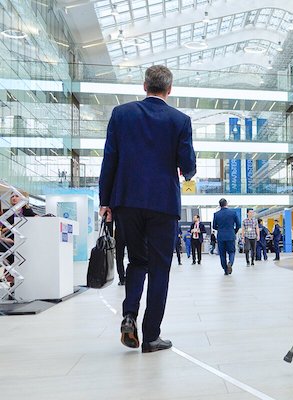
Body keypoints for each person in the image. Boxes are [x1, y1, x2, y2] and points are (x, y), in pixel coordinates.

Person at [98, 65, 196, 353]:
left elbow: (109, 159)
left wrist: (105, 201)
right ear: (170, 89)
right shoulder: (180, 120)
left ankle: (129, 315)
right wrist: (188, 172)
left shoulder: (121, 114)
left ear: (144, 86)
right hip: (163, 203)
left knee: (137, 262)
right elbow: (187, 164)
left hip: (127, 200)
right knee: (159, 268)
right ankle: (151, 336)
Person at [213, 198, 240, 275]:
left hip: (221, 236)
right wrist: (234, 231)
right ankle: (230, 263)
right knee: (232, 252)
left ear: (219, 205)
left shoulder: (216, 214)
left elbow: (214, 226)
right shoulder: (233, 213)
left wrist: (220, 229)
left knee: (222, 254)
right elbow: (238, 225)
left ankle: (225, 270)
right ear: (226, 204)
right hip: (230, 235)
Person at [113, 217, 128, 285]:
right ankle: (130, 277)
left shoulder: (117, 210)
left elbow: (109, 221)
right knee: (133, 258)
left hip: (119, 234)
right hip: (132, 234)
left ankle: (122, 278)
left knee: (119, 258)